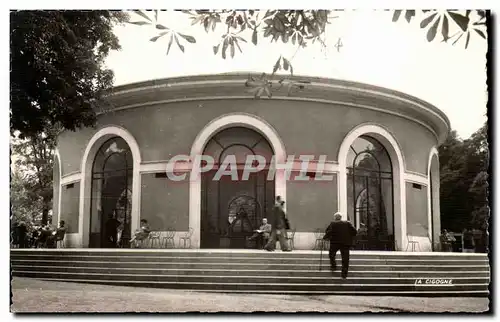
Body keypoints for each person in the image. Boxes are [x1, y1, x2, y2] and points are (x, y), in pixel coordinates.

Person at [323, 212, 357, 279]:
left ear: (335, 218)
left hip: (335, 243)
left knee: (331, 254)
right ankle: (344, 274)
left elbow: (328, 231)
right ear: (341, 217)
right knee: (345, 259)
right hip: (345, 243)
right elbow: (355, 231)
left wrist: (325, 237)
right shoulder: (347, 223)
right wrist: (349, 236)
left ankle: (334, 266)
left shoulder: (333, 224)